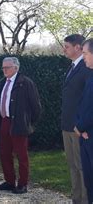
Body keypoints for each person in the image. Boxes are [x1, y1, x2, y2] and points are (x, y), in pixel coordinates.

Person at [0, 57, 41, 194]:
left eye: (7, 67)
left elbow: (36, 106)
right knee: (4, 153)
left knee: (21, 155)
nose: (4, 70)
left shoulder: (25, 83)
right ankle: (9, 181)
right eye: (3, 67)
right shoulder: (1, 83)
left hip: (19, 123)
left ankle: (23, 184)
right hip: (5, 121)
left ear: (16, 68)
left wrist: (27, 122)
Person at [61, 34, 93, 203]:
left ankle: (86, 199)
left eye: (66, 46)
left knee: (83, 167)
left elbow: (88, 99)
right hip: (67, 125)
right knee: (73, 166)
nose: (63, 50)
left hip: (80, 127)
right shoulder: (72, 66)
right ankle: (76, 199)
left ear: (78, 47)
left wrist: (83, 126)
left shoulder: (87, 68)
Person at [74, 38, 93, 204]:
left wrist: (81, 126)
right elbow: (82, 106)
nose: (84, 56)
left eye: (86, 53)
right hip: (86, 135)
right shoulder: (91, 78)